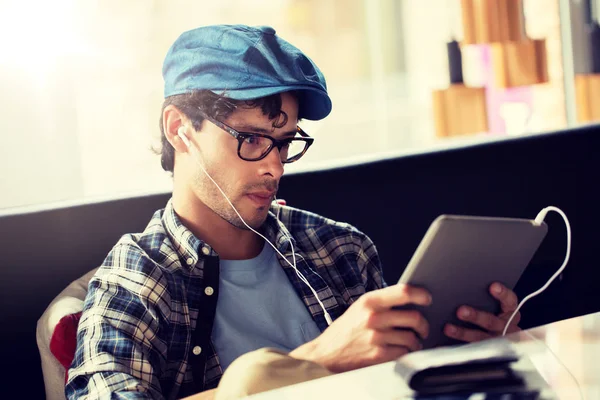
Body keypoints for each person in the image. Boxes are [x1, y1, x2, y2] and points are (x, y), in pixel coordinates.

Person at [65, 24, 521, 400]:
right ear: (180, 128)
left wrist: (467, 351)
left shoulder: (341, 249)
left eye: (285, 143)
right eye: (252, 139)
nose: (274, 166)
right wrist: (315, 362)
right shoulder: (135, 281)